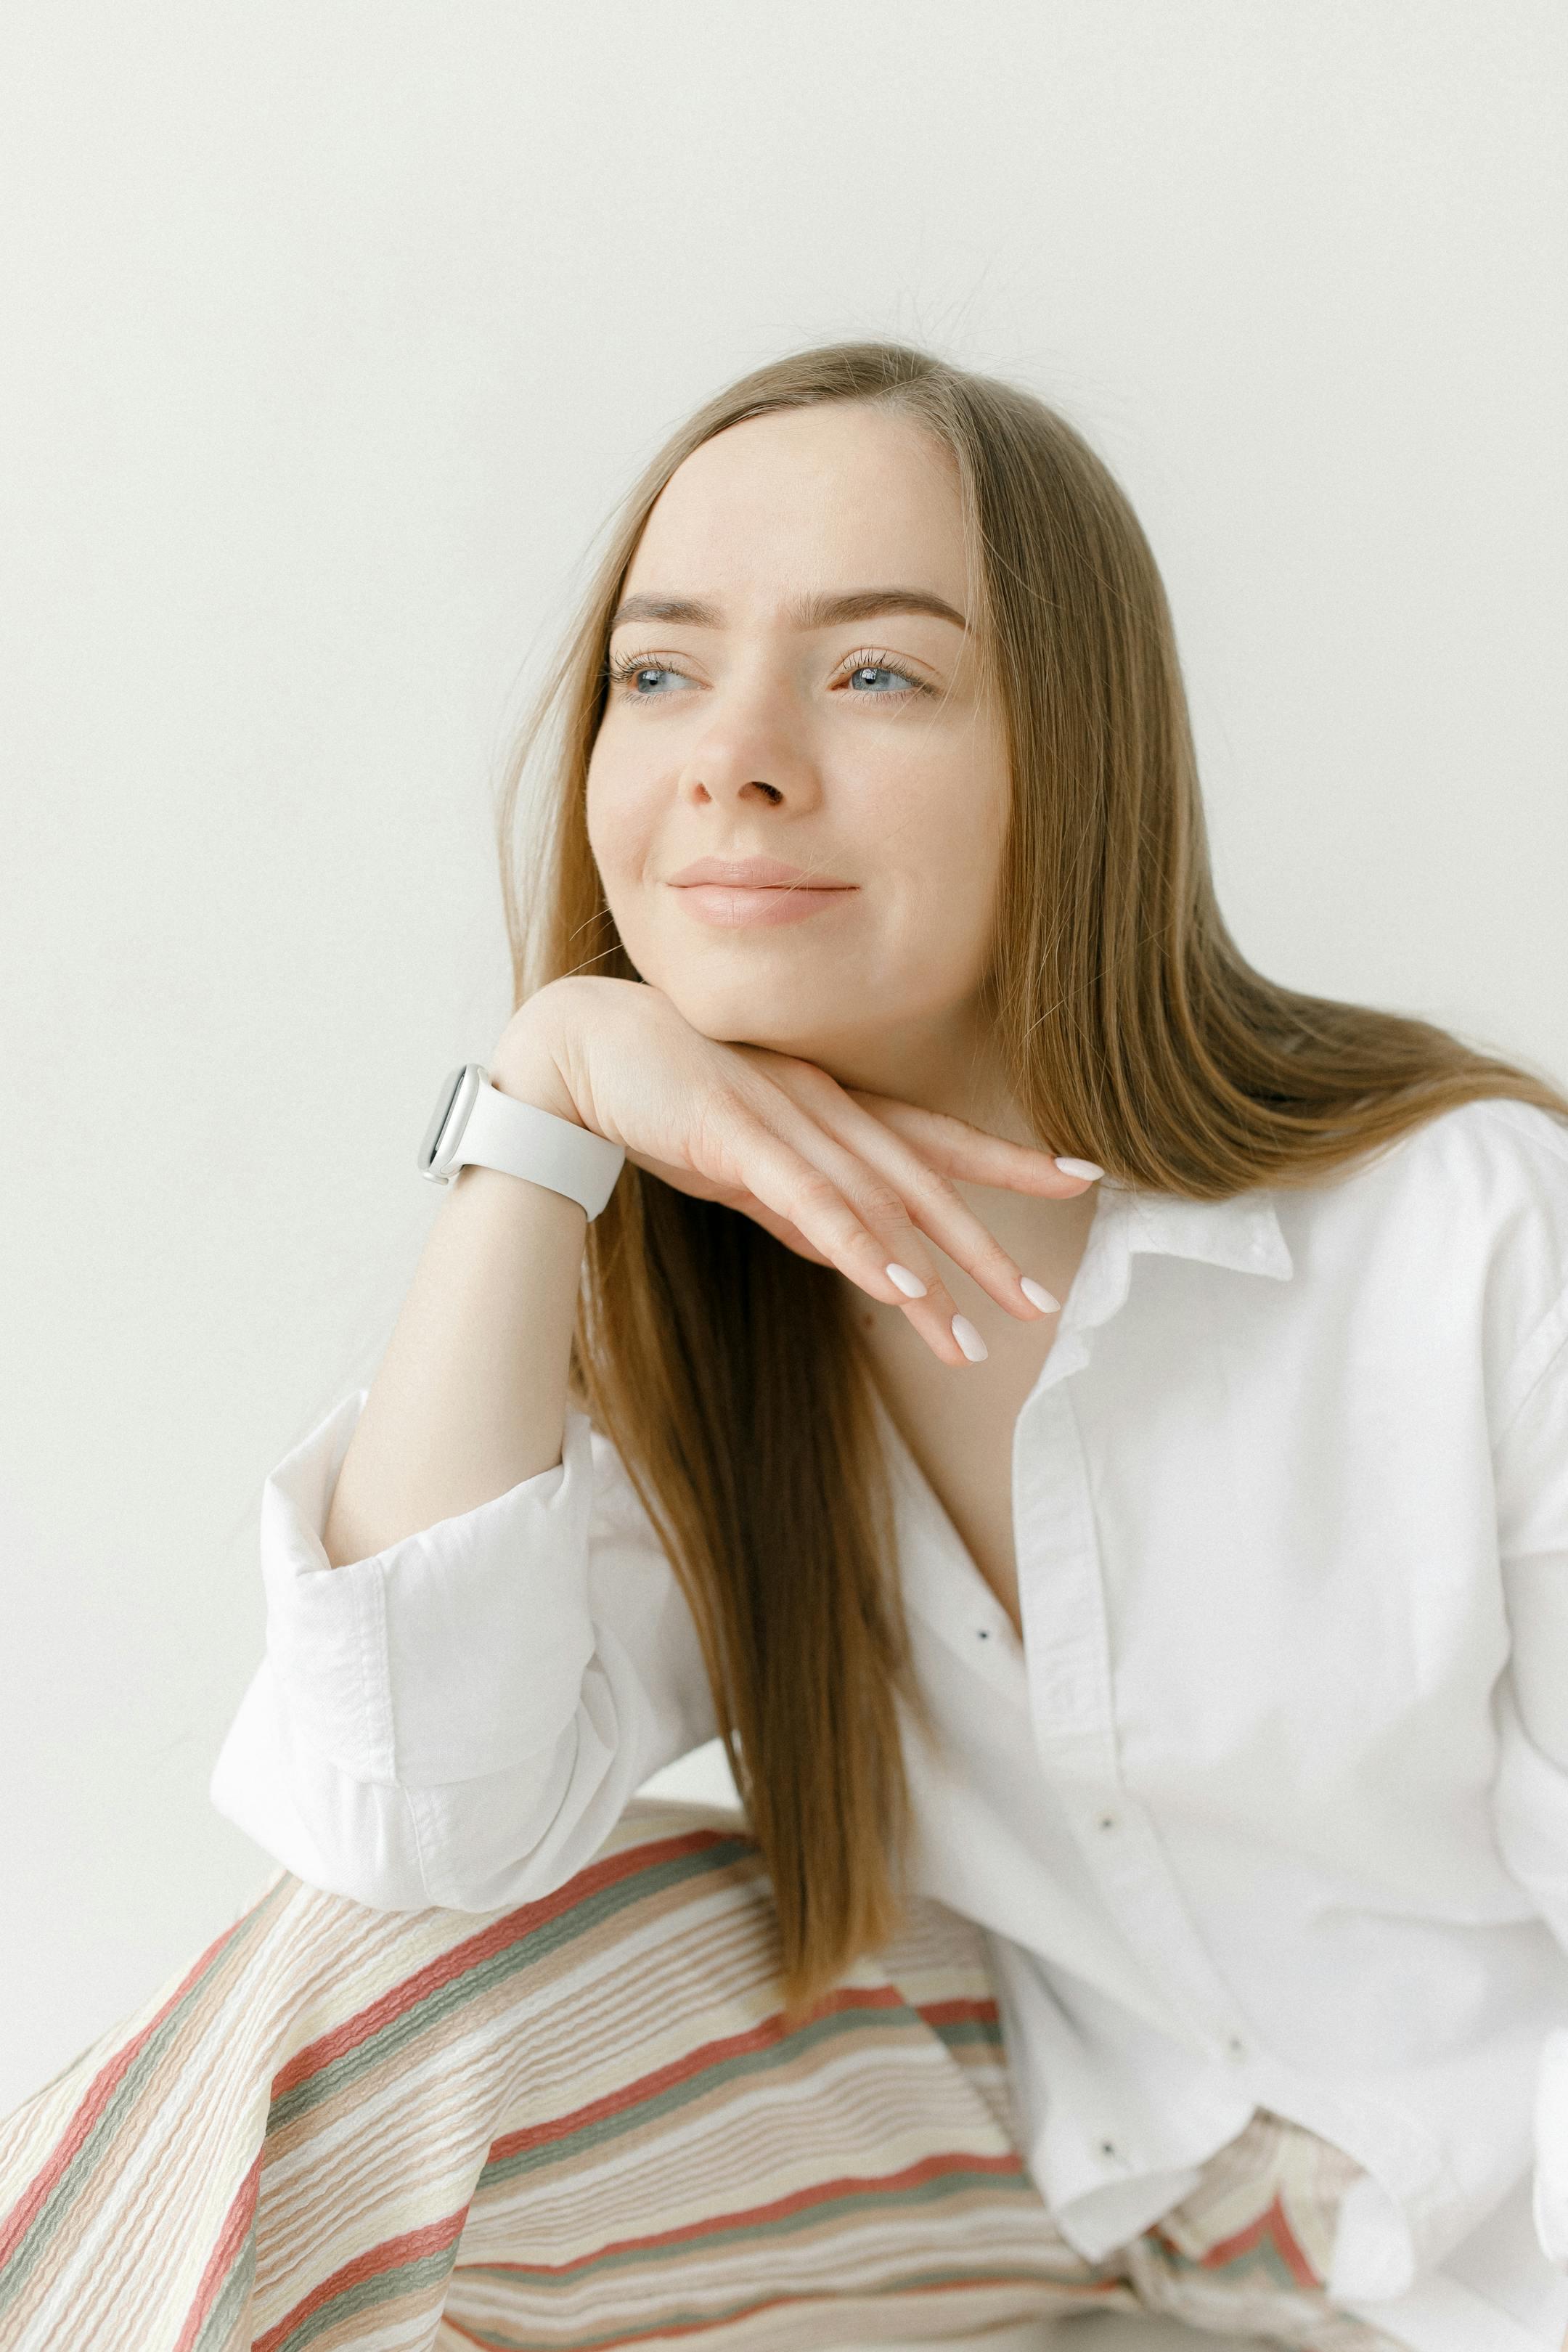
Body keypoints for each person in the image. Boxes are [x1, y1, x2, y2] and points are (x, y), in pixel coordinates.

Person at [3, 341, 1568, 2352]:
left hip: (1489, 2255)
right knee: (384, 1984)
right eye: (659, 675)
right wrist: (542, 1105)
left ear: (1074, 760)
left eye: (877, 673)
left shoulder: (1473, 1239)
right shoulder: (683, 1301)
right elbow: (402, 1826)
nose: (731, 757)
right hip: (1068, 2185)